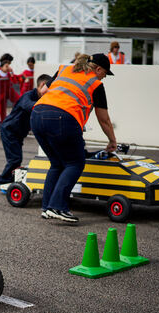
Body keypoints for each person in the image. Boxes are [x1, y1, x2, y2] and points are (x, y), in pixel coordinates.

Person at [31, 53, 117, 222]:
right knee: (75, 163)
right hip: (63, 118)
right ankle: (58, 207)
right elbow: (104, 119)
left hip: (36, 114)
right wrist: (112, 140)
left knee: (57, 164)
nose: (104, 77)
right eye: (105, 73)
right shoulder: (96, 84)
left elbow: (43, 90)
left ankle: (47, 207)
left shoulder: (64, 69)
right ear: (98, 69)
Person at [0, 74, 51, 190]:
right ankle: (1, 181)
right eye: (47, 89)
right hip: (9, 130)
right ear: (41, 86)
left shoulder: (42, 98)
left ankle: (9, 179)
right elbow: (28, 106)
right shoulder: (28, 96)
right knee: (15, 159)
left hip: (19, 132)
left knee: (16, 158)